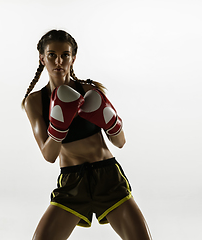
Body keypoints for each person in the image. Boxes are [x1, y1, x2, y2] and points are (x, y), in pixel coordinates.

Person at [22, 29, 153, 240]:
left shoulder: (88, 91)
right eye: (52, 55)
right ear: (42, 58)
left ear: (73, 58)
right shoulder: (35, 101)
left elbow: (120, 142)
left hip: (108, 177)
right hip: (72, 182)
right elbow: (49, 155)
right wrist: (58, 126)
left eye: (65, 55)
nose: (58, 61)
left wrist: (112, 123)